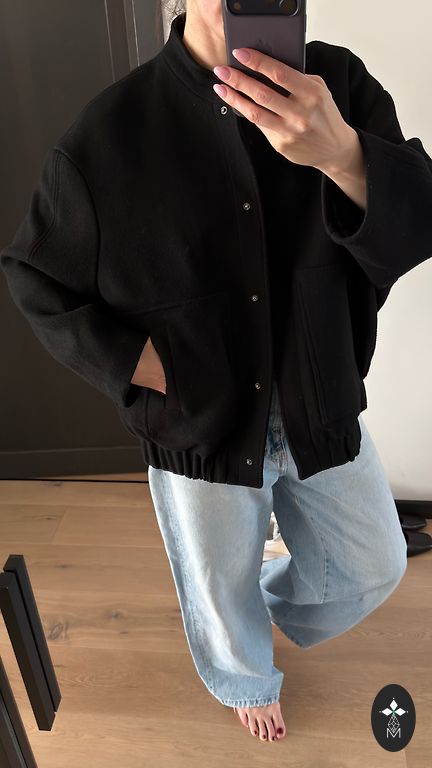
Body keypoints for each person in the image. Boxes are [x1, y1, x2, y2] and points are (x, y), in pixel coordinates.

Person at [3, 0, 431, 746]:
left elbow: (418, 225)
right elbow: (35, 274)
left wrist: (341, 154)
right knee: (217, 583)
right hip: (197, 423)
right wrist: (134, 364)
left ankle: (255, 608)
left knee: (373, 564)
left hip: (320, 400)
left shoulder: (339, 88)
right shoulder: (113, 131)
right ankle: (243, 676)